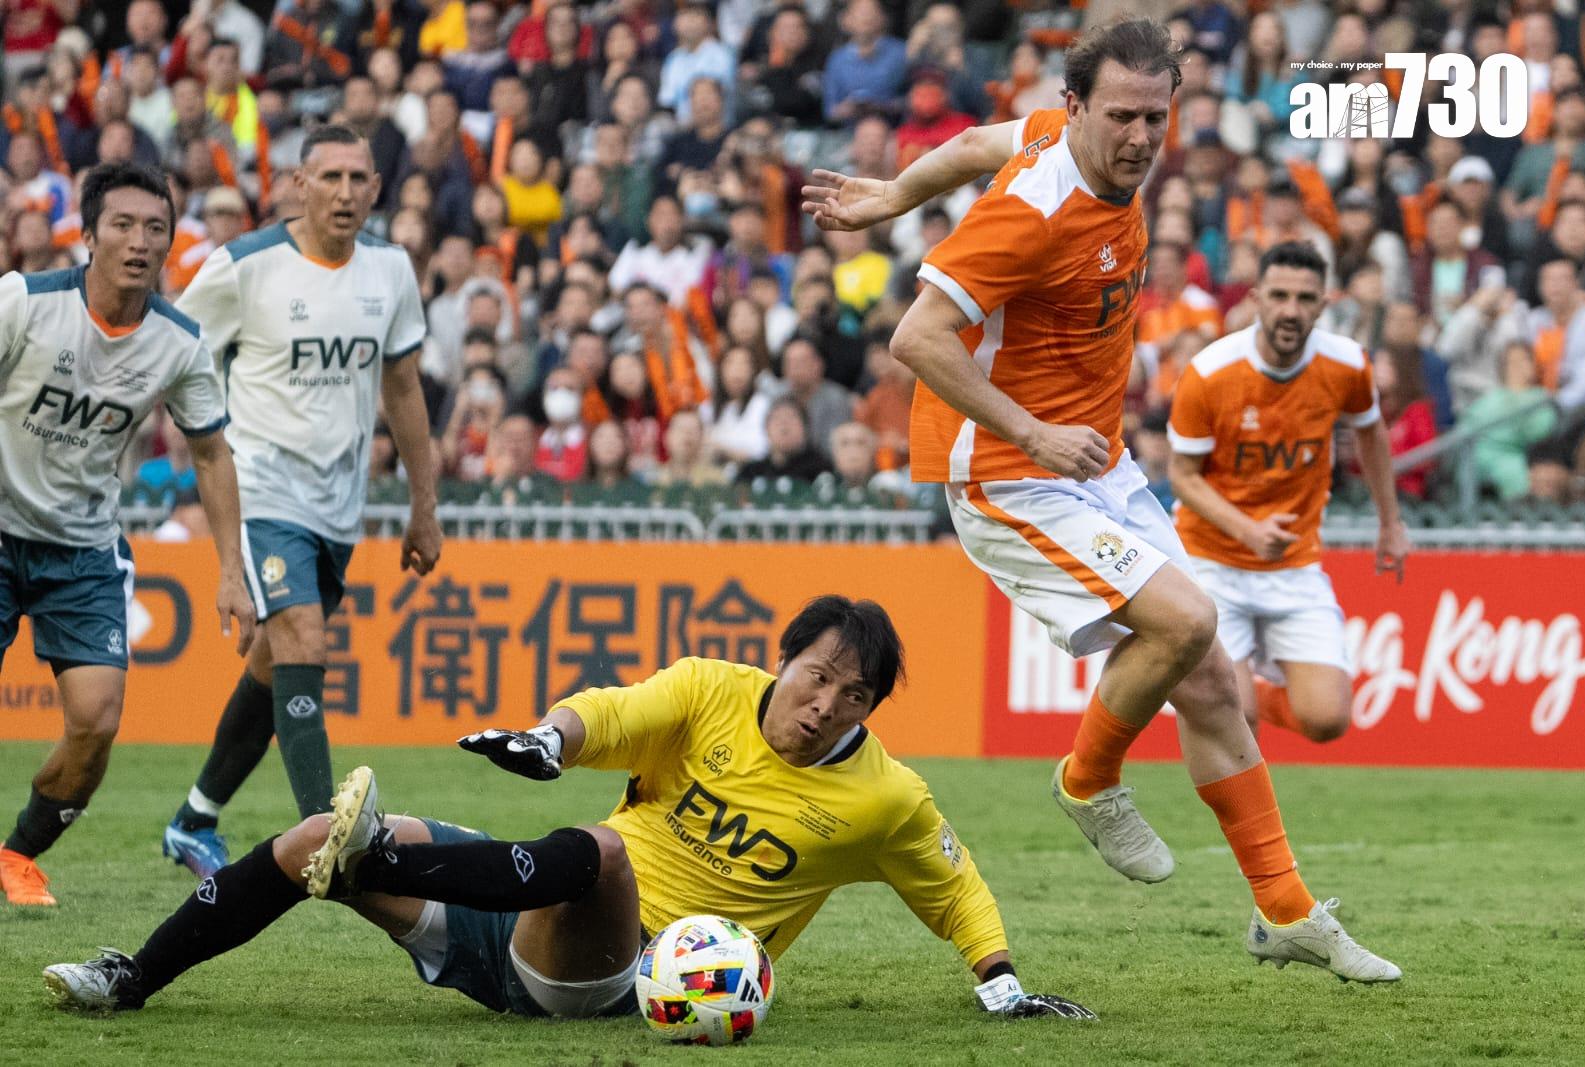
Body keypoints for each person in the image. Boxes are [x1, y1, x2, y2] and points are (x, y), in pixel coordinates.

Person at [802, 18, 1398, 982]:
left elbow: (973, 140)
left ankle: (1284, 910)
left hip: (1094, 463)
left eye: (1156, 117)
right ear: (1076, 107)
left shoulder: (1071, 143)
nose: (1140, 136)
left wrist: (895, 193)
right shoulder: (1032, 211)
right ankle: (1088, 779)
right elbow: (917, 338)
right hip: (1009, 474)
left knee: (1211, 679)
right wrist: (1033, 432)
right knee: (1188, 620)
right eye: (1121, 116)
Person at [45, 598, 1094, 1023]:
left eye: (852, 695)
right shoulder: (712, 689)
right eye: (816, 674)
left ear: (869, 709)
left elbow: (952, 883)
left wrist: (1000, 979)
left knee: (603, 851)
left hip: (618, 969)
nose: (824, 704)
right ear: (784, 658)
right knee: (310, 839)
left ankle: (372, 857)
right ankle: (129, 977)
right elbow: (615, 711)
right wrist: (550, 739)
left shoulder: (885, 796)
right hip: (521, 908)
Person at [160, 125, 442, 880]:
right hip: (261, 487)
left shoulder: (389, 268)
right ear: (298, 183)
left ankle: (194, 819)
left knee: (275, 660)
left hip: (338, 504)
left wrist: (424, 504)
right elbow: (172, 351)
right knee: (303, 637)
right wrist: (204, 444)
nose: (345, 192)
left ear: (376, 188)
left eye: (358, 178)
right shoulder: (245, 266)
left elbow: (403, 388)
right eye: (330, 177)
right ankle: (330, 839)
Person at [0, 162, 255, 906]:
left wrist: (230, 570)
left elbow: (211, 453)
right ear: (87, 235)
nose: (139, 242)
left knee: (96, 724)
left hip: (83, 547)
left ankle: (16, 856)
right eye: (122, 225)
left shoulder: (178, 343)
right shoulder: (23, 303)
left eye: (155, 229)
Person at [1166, 241, 1411, 744]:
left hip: (1293, 563)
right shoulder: (1210, 373)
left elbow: (1371, 431)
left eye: (1305, 299)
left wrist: (1390, 523)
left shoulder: (1347, 364)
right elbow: (1182, 476)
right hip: (1211, 560)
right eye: (1279, 296)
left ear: (1324, 303)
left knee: (1327, 720)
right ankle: (1235, 701)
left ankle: (1250, 694)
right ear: (1256, 299)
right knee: (1233, 721)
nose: (1291, 311)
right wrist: (1248, 531)